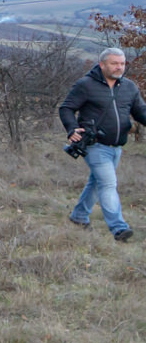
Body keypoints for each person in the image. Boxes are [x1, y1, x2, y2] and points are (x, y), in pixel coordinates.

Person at [60, 47, 146, 242]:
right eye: (114, 63)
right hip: (95, 145)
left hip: (117, 147)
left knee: (97, 183)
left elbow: (141, 112)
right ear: (102, 65)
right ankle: (119, 228)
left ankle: (79, 216)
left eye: (122, 63)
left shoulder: (129, 87)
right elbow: (66, 108)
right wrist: (72, 129)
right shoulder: (86, 85)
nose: (119, 67)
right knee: (108, 184)